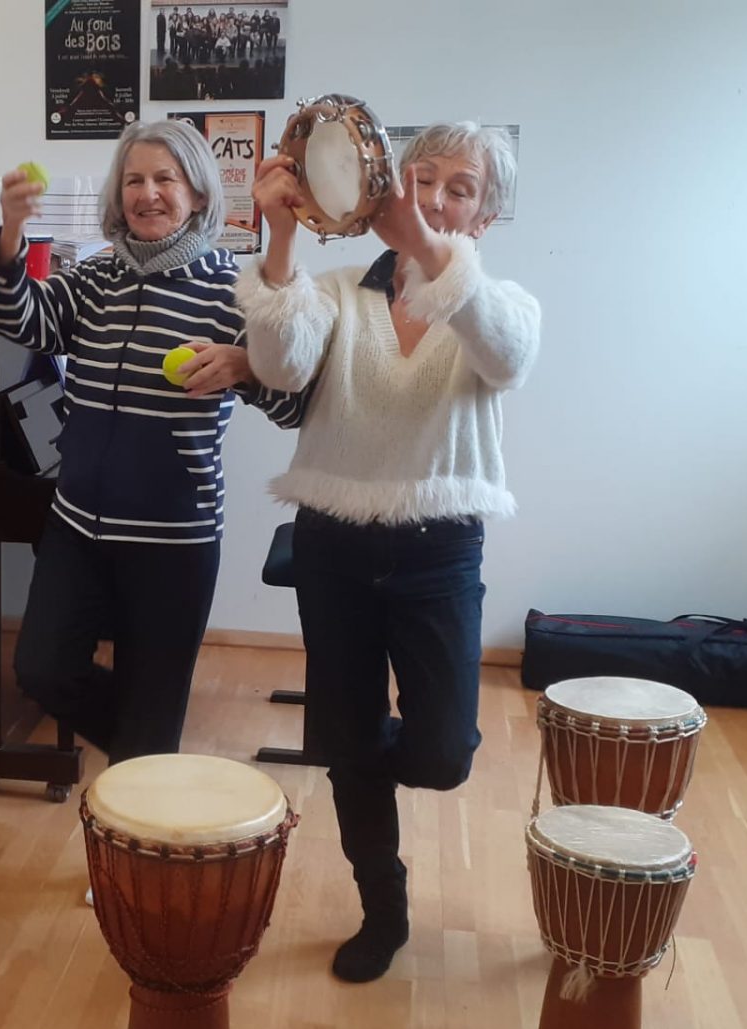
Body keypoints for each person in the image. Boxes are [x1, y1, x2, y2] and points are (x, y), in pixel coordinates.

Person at [237, 122, 541, 983]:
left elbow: (508, 356)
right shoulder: (338, 291)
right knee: (345, 741)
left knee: (442, 755)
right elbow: (280, 366)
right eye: (424, 178)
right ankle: (383, 906)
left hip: (439, 550)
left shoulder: (501, 305)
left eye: (460, 189)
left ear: (484, 218)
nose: (435, 199)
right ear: (391, 182)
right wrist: (281, 235)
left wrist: (431, 255)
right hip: (333, 543)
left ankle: (364, 747)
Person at [0, 119, 250, 769]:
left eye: (165, 179)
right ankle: (150, 755)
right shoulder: (97, 276)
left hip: (173, 542)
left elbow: (292, 398)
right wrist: (11, 233)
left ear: (199, 194)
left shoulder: (232, 290)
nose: (147, 194)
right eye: (134, 180)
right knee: (42, 669)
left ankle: (147, 775)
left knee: (151, 722)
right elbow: (18, 318)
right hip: (78, 527)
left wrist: (247, 364)